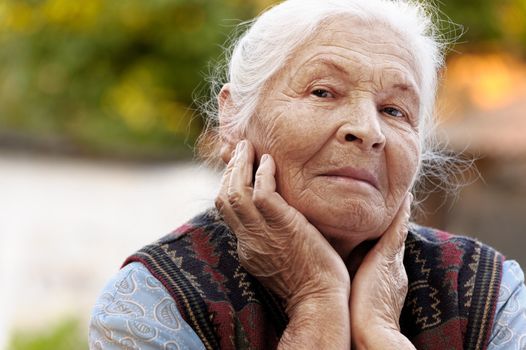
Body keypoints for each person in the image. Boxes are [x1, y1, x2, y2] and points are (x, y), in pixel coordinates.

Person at [89, 0, 526, 349]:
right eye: (323, 92)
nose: (368, 131)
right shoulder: (153, 299)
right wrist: (317, 302)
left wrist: (380, 333)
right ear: (233, 119)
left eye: (394, 110)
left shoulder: (491, 292)